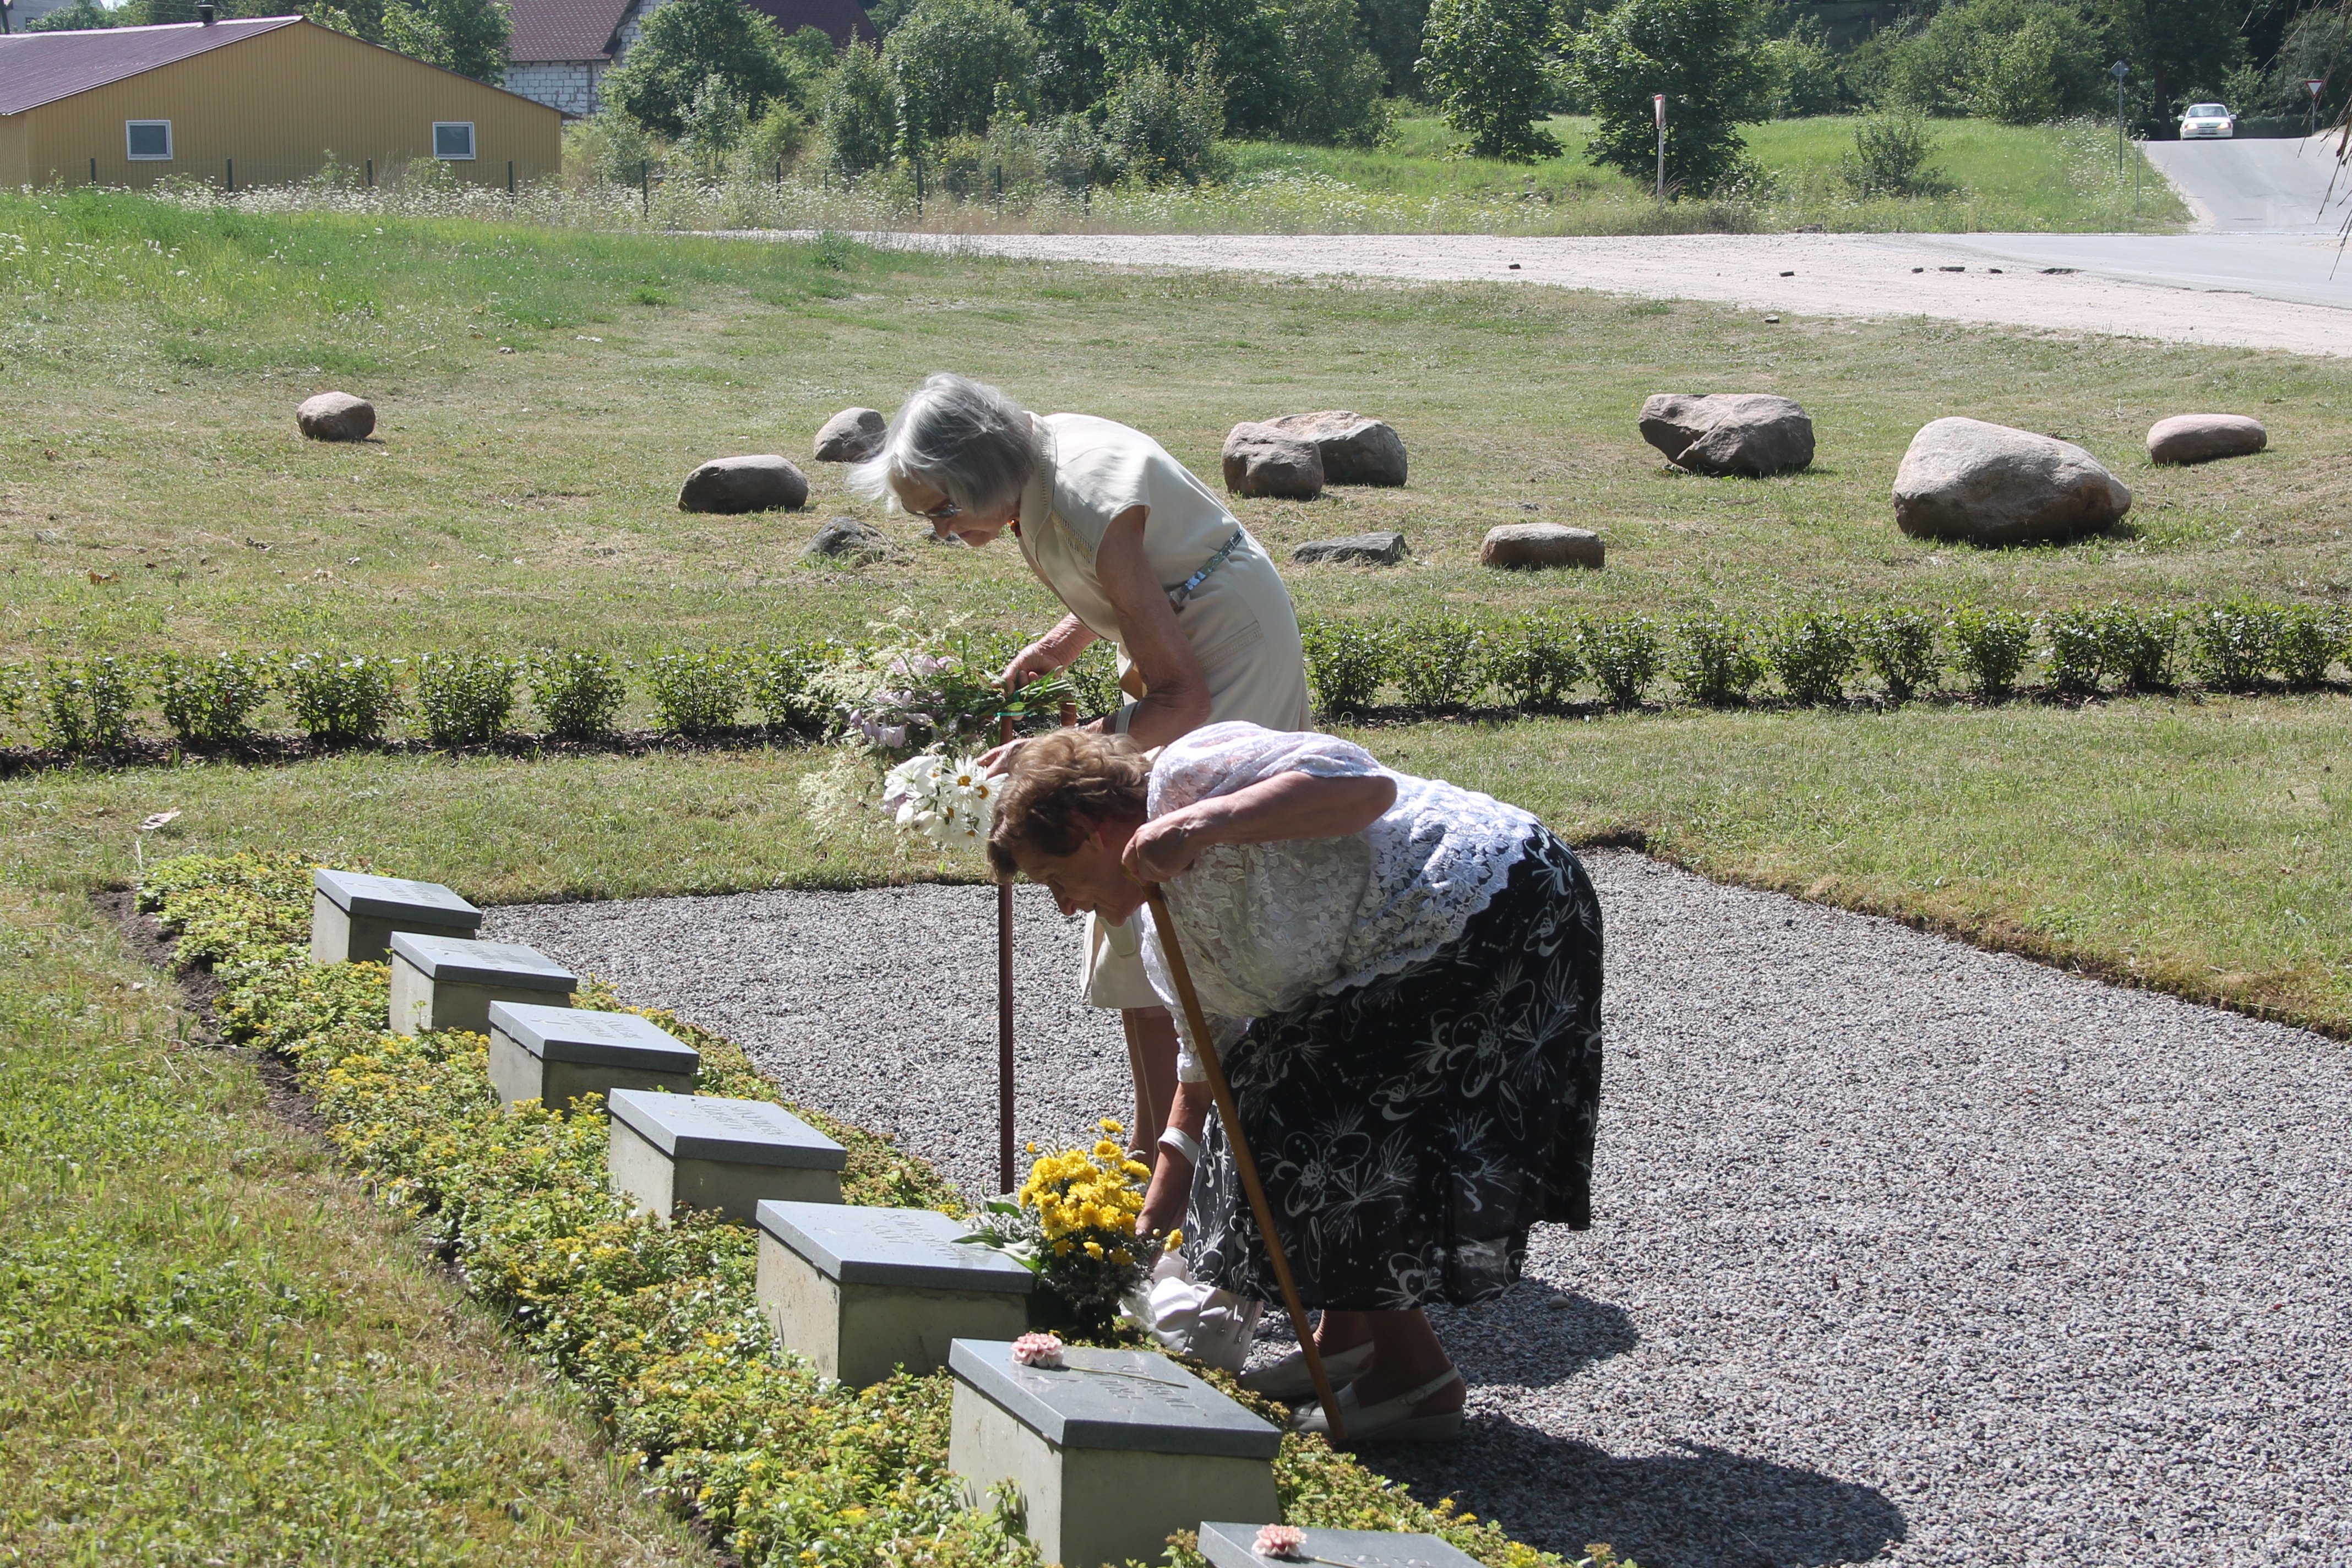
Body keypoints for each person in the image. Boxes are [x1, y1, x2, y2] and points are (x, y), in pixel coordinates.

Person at [986, 723, 1605, 1444]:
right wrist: (1144, 1233)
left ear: (1087, 832)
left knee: (1299, 1113)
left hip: (1499, 900)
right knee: (1270, 1093)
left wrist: (1198, 824)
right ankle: (1348, 1343)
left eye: (1055, 880)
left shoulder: (1184, 775)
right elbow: (1204, 1082)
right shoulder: (1165, 937)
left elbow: (1363, 788)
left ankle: (1416, 1381)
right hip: (1414, 946)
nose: (1064, 907)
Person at [850, 373, 1311, 1164]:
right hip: (1189, 645)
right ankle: (1155, 1138)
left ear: (983, 473)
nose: (943, 532)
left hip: (1228, 660)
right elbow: (1129, 583)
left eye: (943, 511)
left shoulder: (1087, 496)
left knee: (1158, 870)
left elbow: (1180, 698)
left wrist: (1047, 756)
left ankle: (1196, 1150)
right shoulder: (1033, 460)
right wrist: (1062, 642)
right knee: (1125, 885)